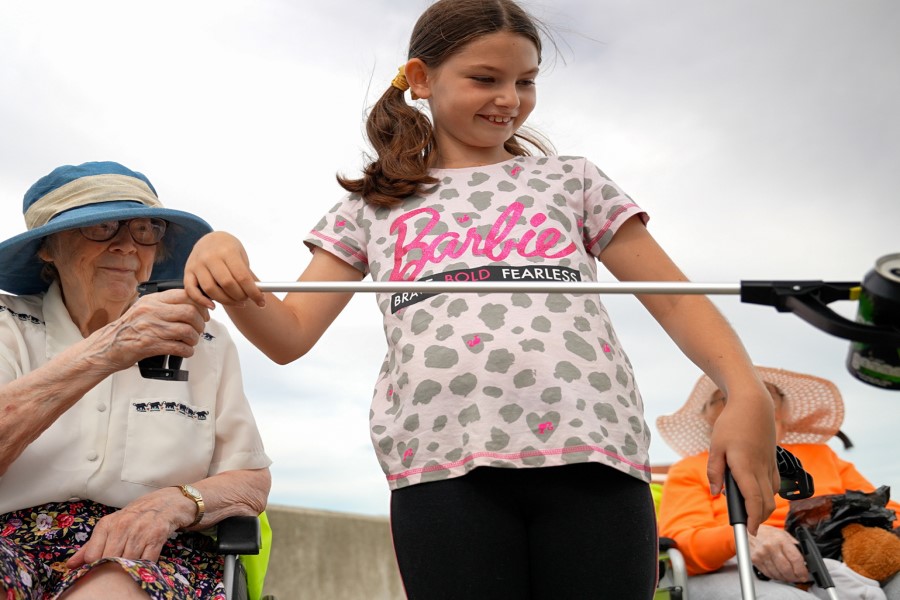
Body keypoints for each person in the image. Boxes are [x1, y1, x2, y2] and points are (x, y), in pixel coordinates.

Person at [183, 0, 779, 597]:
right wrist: (220, 251)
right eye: (485, 79)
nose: (509, 99)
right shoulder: (369, 207)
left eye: (526, 81)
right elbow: (289, 335)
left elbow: (674, 299)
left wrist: (746, 391)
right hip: (438, 466)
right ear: (421, 79)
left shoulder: (573, 180)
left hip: (594, 453)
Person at [0, 161, 272, 600]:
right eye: (102, 227)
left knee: (112, 587)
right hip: (10, 541)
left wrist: (175, 503)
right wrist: (108, 349)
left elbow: (250, 478)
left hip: (151, 548)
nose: (127, 245)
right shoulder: (7, 325)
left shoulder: (203, 337)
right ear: (48, 248)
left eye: (146, 229)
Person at [657, 366, 900, 600]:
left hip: (842, 556)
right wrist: (743, 537)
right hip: (735, 566)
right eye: (726, 397)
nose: (749, 401)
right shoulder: (690, 469)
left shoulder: (822, 455)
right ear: (711, 418)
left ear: (783, 412)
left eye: (765, 394)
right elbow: (683, 545)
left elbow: (887, 511)